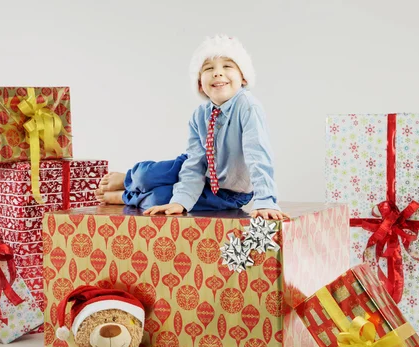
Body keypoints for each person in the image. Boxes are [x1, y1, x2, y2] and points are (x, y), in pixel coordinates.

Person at [96, 34, 288, 221]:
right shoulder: (199, 115)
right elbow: (195, 163)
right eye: (208, 68)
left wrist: (265, 200)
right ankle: (129, 179)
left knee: (159, 199)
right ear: (199, 83)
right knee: (145, 176)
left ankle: (124, 197)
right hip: (197, 167)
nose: (217, 72)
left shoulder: (248, 107)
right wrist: (183, 198)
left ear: (243, 77)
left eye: (227, 66)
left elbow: (258, 155)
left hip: (227, 191)